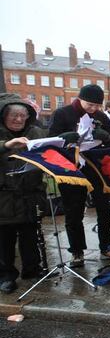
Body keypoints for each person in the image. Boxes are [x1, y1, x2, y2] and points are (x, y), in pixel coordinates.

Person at [49, 84, 110, 266]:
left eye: (97, 105)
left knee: (103, 207)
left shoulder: (102, 117)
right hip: (71, 168)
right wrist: (63, 137)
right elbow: (50, 141)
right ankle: (77, 251)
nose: (93, 109)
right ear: (80, 99)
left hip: (96, 168)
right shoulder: (62, 114)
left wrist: (106, 137)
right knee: (73, 210)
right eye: (90, 105)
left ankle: (106, 245)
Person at [0, 94, 47, 294]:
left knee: (30, 236)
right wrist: (6, 145)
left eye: (23, 116)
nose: (19, 120)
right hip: (4, 197)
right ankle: (6, 276)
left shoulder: (35, 131)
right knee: (5, 240)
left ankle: (32, 270)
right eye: (14, 116)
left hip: (29, 194)